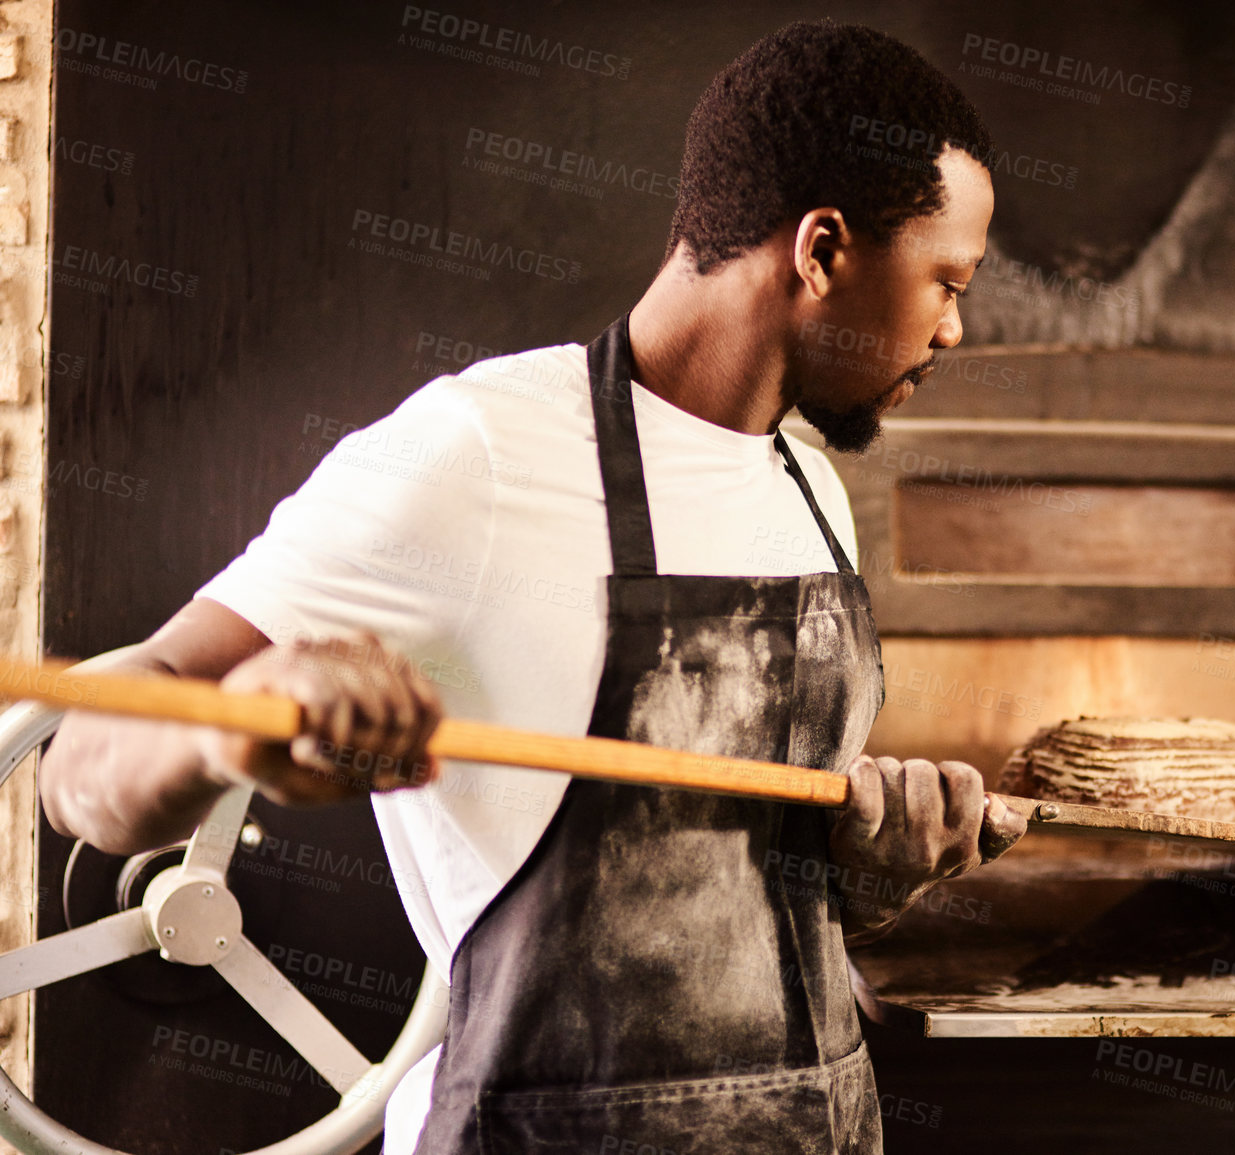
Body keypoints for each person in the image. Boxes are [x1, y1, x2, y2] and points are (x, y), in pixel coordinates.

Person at [38, 20, 1023, 1155]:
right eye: (947, 280)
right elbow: (81, 772)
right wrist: (232, 733)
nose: (954, 327)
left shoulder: (813, 495)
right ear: (819, 251)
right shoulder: (482, 454)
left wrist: (869, 874)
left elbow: (748, 914)